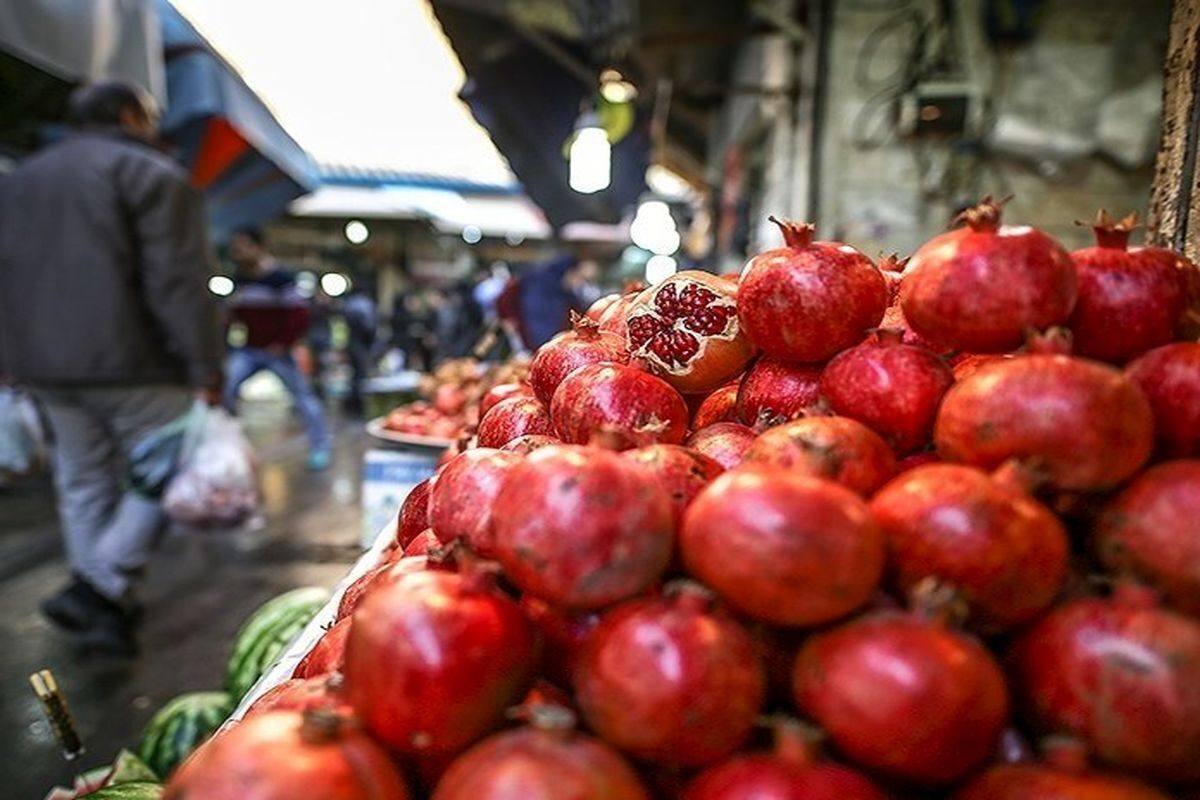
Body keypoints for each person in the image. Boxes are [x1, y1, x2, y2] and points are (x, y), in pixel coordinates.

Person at [0, 80, 224, 655]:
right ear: (131, 116)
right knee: (179, 457)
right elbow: (178, 283)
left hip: (41, 363)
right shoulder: (149, 173)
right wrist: (204, 366)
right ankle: (99, 586)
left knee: (83, 479)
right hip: (132, 359)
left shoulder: (22, 178)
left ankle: (106, 605)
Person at [224, 228, 332, 469]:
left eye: (242, 247)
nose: (238, 253)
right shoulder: (240, 278)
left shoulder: (281, 278)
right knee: (225, 389)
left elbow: (299, 316)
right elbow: (235, 314)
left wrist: (283, 344)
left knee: (303, 398)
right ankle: (227, 447)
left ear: (258, 246)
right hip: (250, 349)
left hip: (279, 353)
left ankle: (320, 447)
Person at [515, 255, 600, 348]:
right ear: (570, 272)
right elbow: (539, 323)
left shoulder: (562, 291)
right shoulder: (542, 289)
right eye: (581, 277)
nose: (580, 283)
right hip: (540, 344)